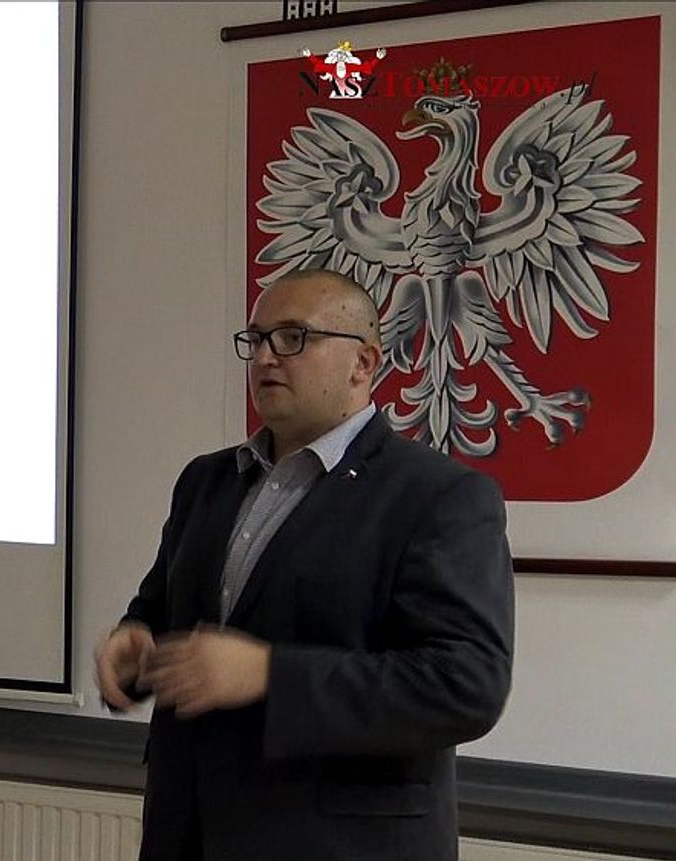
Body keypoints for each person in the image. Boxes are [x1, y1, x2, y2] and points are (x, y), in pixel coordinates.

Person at [95, 269, 514, 861]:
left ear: (363, 363)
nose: (266, 357)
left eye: (293, 337)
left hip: (340, 844)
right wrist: (133, 644)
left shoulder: (438, 496)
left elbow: (466, 686)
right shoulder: (206, 481)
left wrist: (270, 674)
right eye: (257, 339)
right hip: (189, 833)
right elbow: (160, 612)